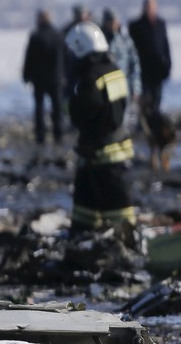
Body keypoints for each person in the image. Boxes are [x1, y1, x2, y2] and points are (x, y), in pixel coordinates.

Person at [64, 22, 135, 233]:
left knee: (97, 209)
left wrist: (71, 101)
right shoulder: (116, 72)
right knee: (114, 208)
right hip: (118, 151)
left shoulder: (90, 78)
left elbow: (81, 113)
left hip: (97, 154)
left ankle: (86, 237)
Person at [22, 9, 65, 146]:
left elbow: (29, 58)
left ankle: (41, 135)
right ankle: (58, 133)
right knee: (57, 107)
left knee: (39, 107)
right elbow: (66, 57)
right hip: (56, 78)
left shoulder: (36, 36)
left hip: (40, 78)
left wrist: (26, 75)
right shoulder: (58, 35)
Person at [127, 0, 172, 113]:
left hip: (158, 69)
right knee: (145, 101)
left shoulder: (160, 24)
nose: (149, 8)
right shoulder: (136, 26)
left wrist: (168, 64)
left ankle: (155, 125)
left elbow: (165, 45)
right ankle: (145, 125)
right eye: (147, 6)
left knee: (157, 100)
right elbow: (131, 49)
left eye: (152, 6)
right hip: (143, 70)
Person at [101, 8, 142, 130]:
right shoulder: (100, 41)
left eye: (115, 21)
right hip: (105, 89)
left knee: (123, 123)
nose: (113, 24)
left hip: (123, 88)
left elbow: (134, 65)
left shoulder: (125, 40)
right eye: (110, 22)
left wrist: (136, 88)